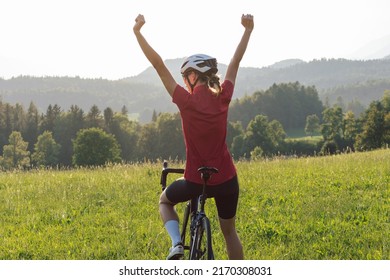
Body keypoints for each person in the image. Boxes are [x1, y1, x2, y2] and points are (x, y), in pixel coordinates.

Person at [133, 13, 254, 260]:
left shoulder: (185, 101)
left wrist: (138, 32)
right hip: (227, 180)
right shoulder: (224, 96)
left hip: (195, 180)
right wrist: (248, 29)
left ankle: (177, 243)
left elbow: (158, 64)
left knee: (164, 202)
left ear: (192, 76)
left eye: (185, 77)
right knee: (229, 233)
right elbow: (235, 61)